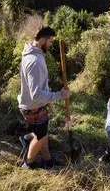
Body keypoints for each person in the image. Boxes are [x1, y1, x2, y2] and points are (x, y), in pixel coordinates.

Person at [17, 26, 70, 169]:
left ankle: (47, 160)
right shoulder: (34, 61)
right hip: (33, 107)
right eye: (50, 41)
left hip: (35, 105)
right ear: (41, 40)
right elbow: (36, 94)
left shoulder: (33, 52)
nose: (51, 44)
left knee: (43, 134)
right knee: (39, 137)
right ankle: (28, 164)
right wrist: (59, 95)